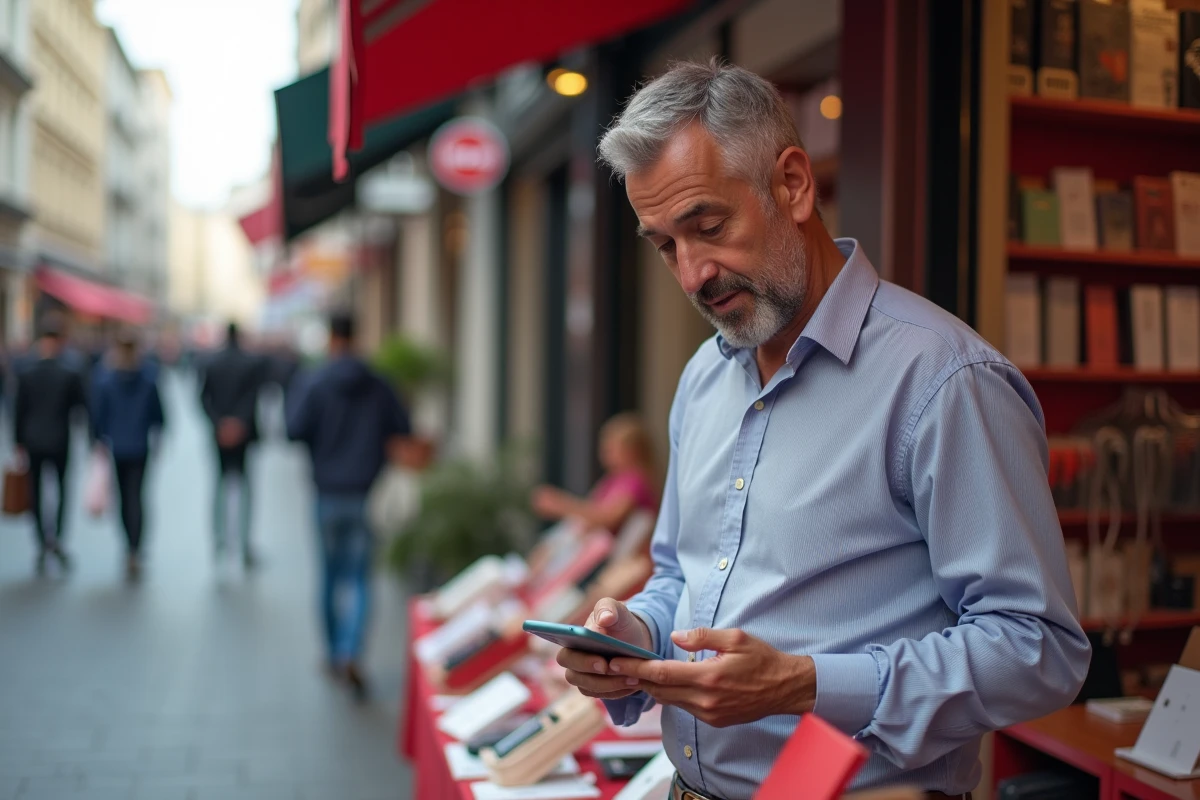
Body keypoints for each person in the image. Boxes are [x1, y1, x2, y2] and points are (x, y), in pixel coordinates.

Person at [555, 61, 1091, 799]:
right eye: (664, 245)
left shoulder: (944, 380)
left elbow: (1040, 650)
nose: (691, 275)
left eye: (708, 227)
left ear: (794, 185)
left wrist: (807, 686)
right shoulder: (703, 380)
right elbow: (681, 576)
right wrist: (634, 637)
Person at [286, 312, 411, 700]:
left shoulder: (315, 381)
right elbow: (402, 430)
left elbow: (293, 430)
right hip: (367, 493)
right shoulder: (379, 383)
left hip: (327, 493)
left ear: (330, 338)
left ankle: (332, 653)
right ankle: (351, 650)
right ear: (356, 336)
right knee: (360, 577)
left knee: (328, 575)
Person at [14, 319, 87, 573]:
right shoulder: (69, 373)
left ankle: (41, 540)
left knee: (35, 490)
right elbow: (81, 408)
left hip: (33, 439)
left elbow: (17, 411)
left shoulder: (26, 372)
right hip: (59, 440)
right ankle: (56, 536)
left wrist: (18, 441)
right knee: (61, 490)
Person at [91, 333, 165, 581]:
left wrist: (97, 440)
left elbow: (98, 413)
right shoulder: (148, 376)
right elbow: (159, 413)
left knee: (125, 497)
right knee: (137, 495)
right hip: (139, 445)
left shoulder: (106, 378)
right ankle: (135, 546)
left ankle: (129, 545)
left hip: (117, 445)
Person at [199, 322, 266, 569]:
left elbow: (203, 398)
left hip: (220, 434)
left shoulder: (212, 362)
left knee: (219, 484)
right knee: (246, 487)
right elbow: (255, 397)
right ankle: (246, 543)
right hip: (244, 433)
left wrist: (220, 423)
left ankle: (219, 539)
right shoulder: (251, 362)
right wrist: (238, 422)